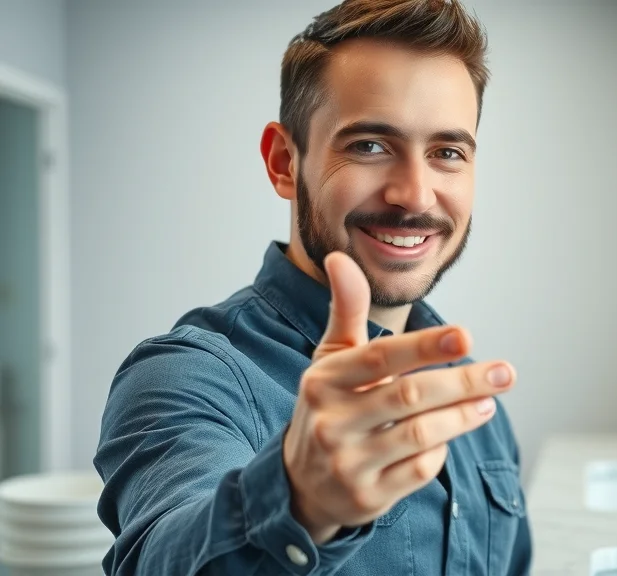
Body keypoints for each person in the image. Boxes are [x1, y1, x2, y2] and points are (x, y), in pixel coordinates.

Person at [92, 1, 532, 574]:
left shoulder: (472, 401)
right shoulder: (188, 376)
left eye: (447, 153)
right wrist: (298, 500)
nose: (416, 195)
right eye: (369, 146)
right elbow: (163, 557)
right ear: (283, 162)